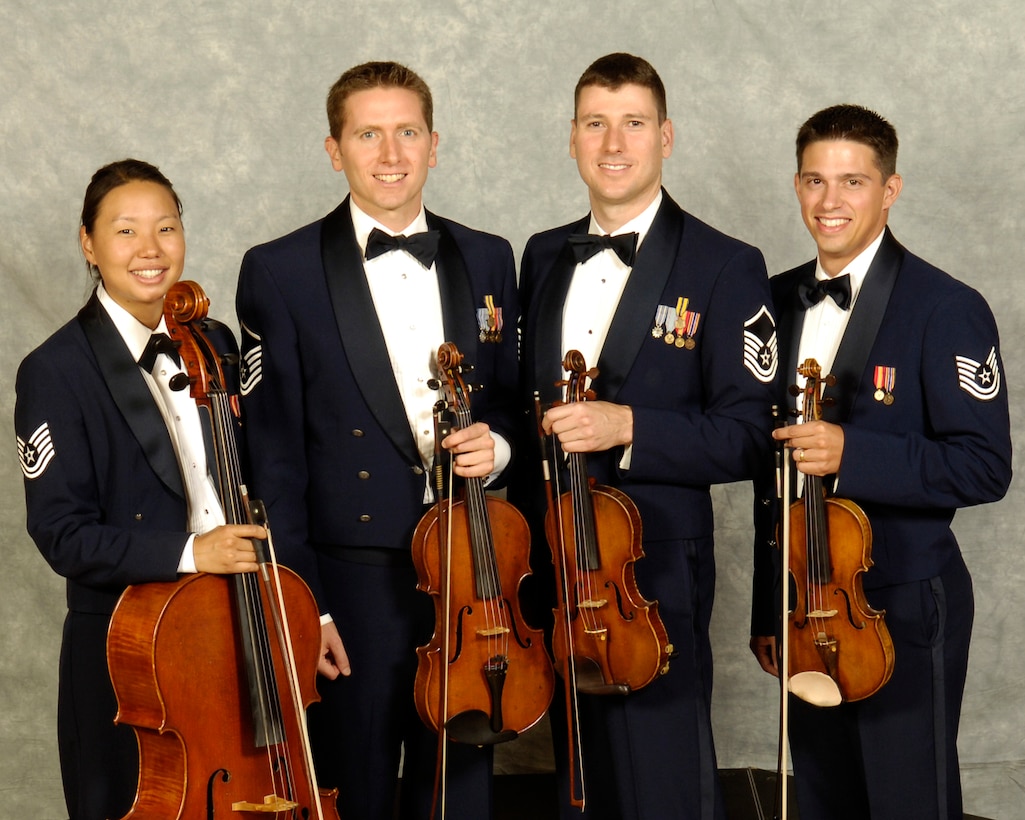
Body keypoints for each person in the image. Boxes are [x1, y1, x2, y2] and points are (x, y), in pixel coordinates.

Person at [235, 61, 519, 819]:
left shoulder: (488, 255)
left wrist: (505, 451)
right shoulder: (279, 270)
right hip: (351, 582)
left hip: (468, 573)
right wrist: (308, 609)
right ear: (334, 149)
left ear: (435, 144)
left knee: (459, 787)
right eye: (368, 134)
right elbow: (274, 458)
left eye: (406, 133)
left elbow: (514, 405)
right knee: (355, 782)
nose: (389, 155)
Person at [514, 53, 779, 820]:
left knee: (663, 775)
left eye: (632, 124)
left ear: (665, 136)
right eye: (594, 124)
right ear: (571, 138)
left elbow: (749, 436)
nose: (613, 144)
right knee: (580, 776)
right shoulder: (541, 253)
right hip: (555, 556)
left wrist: (626, 426)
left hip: (654, 565)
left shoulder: (726, 263)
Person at [749, 104, 1012, 820]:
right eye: (813, 180)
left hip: (901, 599)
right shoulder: (770, 301)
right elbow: (767, 482)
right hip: (806, 603)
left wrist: (852, 452)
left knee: (906, 800)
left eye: (853, 182)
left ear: (889, 190)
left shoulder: (945, 307)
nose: (829, 202)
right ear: (796, 185)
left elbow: (984, 467)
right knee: (826, 793)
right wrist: (770, 608)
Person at [15, 159, 265, 820]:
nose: (151, 250)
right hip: (129, 655)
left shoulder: (214, 343)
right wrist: (192, 552)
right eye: (126, 231)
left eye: (166, 228)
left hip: (234, 630)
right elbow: (63, 534)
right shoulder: (54, 370)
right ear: (89, 245)